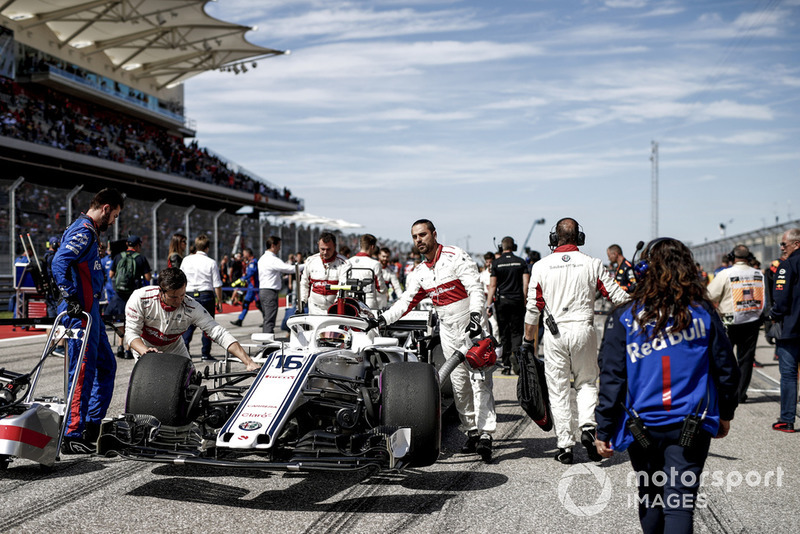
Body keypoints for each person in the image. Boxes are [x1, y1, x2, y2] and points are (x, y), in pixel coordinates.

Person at [595, 237, 739, 533]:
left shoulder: (624, 316)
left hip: (642, 426)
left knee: (650, 495)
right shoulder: (704, 313)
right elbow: (726, 368)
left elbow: (611, 377)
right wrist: (726, 413)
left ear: (644, 270)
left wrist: (604, 429)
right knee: (680, 504)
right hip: (691, 424)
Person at [378, 219, 496, 462]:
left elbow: (475, 289)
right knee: (459, 383)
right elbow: (405, 302)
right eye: (415, 237)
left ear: (433, 234)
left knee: (479, 381)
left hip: (471, 326)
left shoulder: (455, 256)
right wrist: (382, 320)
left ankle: (485, 435)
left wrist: (476, 318)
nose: (419, 240)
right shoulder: (419, 272)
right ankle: (472, 432)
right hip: (448, 330)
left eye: (423, 234)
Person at [523, 217, 630, 464]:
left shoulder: (540, 266)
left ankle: (565, 447)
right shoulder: (592, 264)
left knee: (558, 389)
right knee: (587, 382)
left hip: (555, 334)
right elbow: (619, 298)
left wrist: (528, 342)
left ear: (554, 238)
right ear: (579, 238)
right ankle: (589, 427)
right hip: (584, 330)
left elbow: (532, 309)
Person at [51, 187, 124, 454]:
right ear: (106, 208)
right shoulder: (83, 230)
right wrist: (70, 297)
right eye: (114, 216)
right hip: (79, 314)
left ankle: (92, 427)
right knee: (82, 372)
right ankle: (72, 433)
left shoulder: (89, 231)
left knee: (106, 366)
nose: (114, 222)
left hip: (92, 313)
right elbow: (60, 262)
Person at [124, 267, 259, 371]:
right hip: (145, 346)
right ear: (161, 291)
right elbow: (131, 333)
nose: (179, 301)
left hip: (174, 347)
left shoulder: (192, 306)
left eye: (182, 295)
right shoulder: (140, 298)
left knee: (191, 383)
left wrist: (248, 362)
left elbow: (219, 333)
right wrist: (144, 351)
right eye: (173, 297)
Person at [707, 245, 765, 403]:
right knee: (746, 359)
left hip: (729, 321)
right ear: (750, 257)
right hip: (752, 321)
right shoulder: (759, 274)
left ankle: (723, 392)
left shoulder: (726, 274)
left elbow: (709, 295)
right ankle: (740, 394)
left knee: (723, 357)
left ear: (732, 257)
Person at [770, 228, 800, 432]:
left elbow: (780, 298)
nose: (782, 248)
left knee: (789, 375)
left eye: (784, 244)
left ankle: (787, 419)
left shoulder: (787, 265)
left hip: (792, 328)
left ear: (796, 244)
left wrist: (774, 315)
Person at [487, 237, 529, 375]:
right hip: (517, 301)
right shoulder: (521, 262)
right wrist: (524, 301)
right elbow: (526, 285)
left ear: (501, 247)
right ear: (514, 246)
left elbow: (493, 285)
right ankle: (517, 361)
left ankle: (505, 366)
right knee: (517, 333)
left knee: (504, 334)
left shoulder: (496, 263)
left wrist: (488, 305)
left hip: (502, 302)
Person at [180, 234, 223, 361]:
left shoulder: (186, 260)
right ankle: (205, 353)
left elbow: (182, 279)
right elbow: (217, 284)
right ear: (207, 248)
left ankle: (184, 351)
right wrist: (219, 300)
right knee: (207, 326)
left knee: (188, 325)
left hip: (189, 294)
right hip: (206, 295)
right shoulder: (211, 262)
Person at [258, 236, 303, 333]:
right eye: (279, 246)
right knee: (270, 320)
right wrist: (307, 265)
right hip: (270, 292)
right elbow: (289, 269)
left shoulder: (262, 258)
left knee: (267, 318)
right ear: (273, 246)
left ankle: (266, 341)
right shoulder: (272, 259)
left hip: (263, 291)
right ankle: (267, 344)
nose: (280, 248)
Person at [300, 232, 348, 315]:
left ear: (335, 246)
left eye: (328, 249)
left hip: (335, 309)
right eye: (322, 249)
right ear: (318, 245)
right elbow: (304, 283)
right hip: (314, 309)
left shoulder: (345, 263)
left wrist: (337, 306)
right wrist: (301, 302)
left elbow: (343, 288)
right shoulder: (310, 261)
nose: (325, 252)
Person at [343, 234, 386, 309]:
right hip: (369, 302)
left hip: (352, 302)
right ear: (372, 247)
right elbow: (381, 289)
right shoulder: (375, 264)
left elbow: (343, 283)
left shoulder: (349, 262)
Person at [230, 247, 261, 327]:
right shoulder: (249, 262)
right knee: (246, 303)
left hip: (254, 288)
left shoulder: (253, 262)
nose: (243, 256)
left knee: (258, 304)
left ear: (248, 254)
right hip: (250, 287)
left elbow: (250, 274)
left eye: (244, 254)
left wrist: (239, 280)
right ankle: (240, 320)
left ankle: (268, 320)